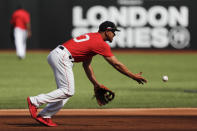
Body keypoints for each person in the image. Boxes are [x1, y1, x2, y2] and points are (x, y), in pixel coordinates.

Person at [27, 21, 147, 127]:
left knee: (64, 92)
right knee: (68, 90)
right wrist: (133, 76)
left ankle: (45, 115)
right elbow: (116, 64)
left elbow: (86, 65)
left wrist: (96, 84)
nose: (115, 34)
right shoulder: (100, 43)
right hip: (63, 57)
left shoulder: (93, 38)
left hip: (58, 55)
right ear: (107, 31)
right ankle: (35, 101)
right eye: (113, 32)